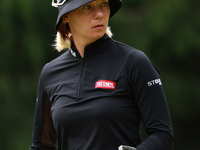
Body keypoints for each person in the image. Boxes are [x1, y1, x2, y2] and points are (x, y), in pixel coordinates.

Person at [30, 0, 174, 150]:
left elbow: (163, 135)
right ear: (66, 16)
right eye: (87, 7)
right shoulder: (50, 73)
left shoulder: (134, 62)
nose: (99, 14)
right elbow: (41, 145)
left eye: (104, 4)